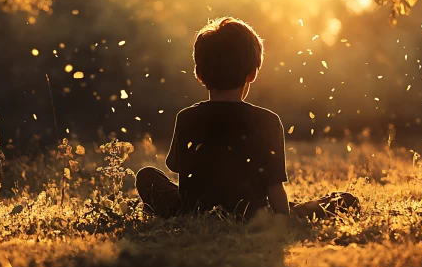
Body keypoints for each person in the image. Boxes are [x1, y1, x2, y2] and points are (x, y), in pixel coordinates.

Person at [135, 17, 358, 219]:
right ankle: (297, 210)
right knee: (343, 200)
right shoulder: (267, 121)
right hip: (252, 214)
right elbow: (273, 186)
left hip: (196, 210)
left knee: (147, 176)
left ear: (199, 75)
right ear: (252, 74)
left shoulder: (186, 117)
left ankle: (173, 211)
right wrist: (285, 219)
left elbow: (177, 169)